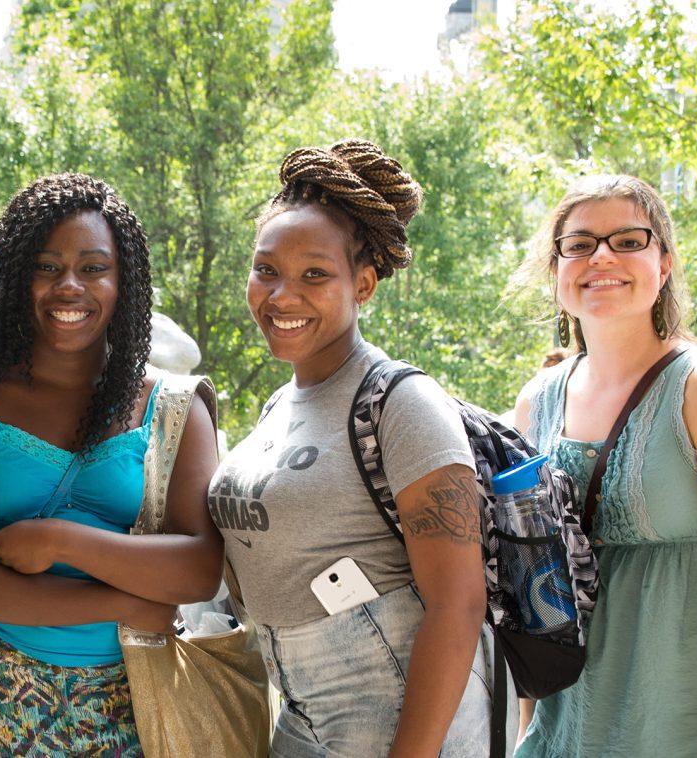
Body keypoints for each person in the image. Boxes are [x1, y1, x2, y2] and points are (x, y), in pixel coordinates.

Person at [508, 175, 697, 756]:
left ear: (665, 262)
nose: (602, 256)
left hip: (692, 714)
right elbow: (536, 583)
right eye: (579, 244)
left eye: (628, 240)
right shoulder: (537, 401)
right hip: (573, 719)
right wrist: (531, 726)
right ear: (556, 270)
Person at [206, 139, 493, 757]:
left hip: (393, 700)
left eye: (315, 274)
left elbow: (460, 602)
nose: (282, 296)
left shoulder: (402, 402)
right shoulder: (279, 406)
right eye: (266, 270)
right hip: (298, 705)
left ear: (362, 284)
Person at [0, 173, 222, 756]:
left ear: (123, 281)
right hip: (3, 703)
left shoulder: (171, 408)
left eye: (92, 268)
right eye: (46, 266)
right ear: (14, 278)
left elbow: (198, 568)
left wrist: (61, 540)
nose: (69, 287)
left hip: (141, 699)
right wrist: (125, 600)